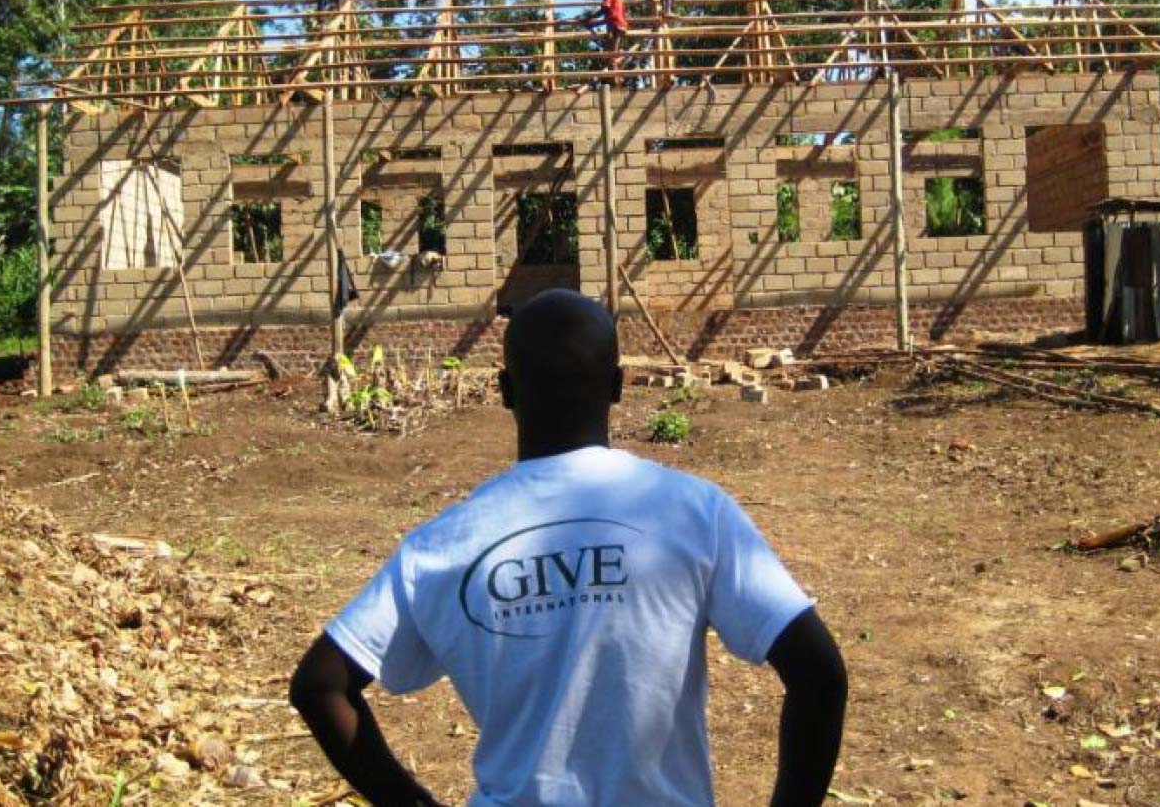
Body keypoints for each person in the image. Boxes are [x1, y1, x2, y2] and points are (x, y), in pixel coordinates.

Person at [289, 288, 849, 807]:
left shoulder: (444, 544)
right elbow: (820, 673)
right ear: (618, 386)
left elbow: (321, 685)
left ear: (505, 392)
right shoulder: (694, 512)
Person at [578, 0, 629, 84]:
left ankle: (615, 80)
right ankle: (616, 77)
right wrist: (592, 24)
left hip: (615, 26)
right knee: (612, 53)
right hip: (620, 25)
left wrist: (589, 18)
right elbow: (610, 14)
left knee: (611, 55)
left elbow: (604, 9)